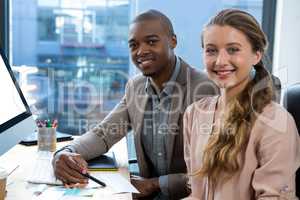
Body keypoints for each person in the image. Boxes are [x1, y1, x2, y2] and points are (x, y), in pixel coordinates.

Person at [53, 9, 216, 199]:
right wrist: (65, 153)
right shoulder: (135, 87)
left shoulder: (205, 88)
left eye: (152, 41)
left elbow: (212, 174)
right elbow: (103, 134)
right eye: (133, 45)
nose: (141, 51)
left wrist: (153, 184)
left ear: (173, 41)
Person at [183, 9, 300, 200]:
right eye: (211, 50)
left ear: (256, 55)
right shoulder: (194, 113)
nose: (220, 61)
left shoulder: (276, 122)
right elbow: (196, 194)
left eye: (233, 49)